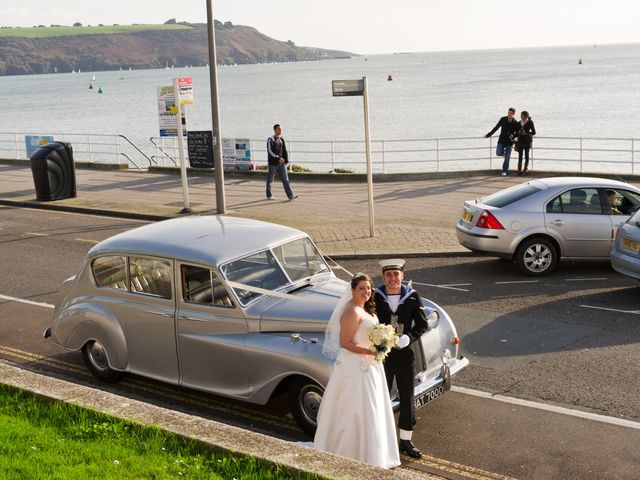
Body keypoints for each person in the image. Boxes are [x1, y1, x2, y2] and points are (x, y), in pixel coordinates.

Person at [314, 273, 401, 469]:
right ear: (352, 290)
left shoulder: (365, 308)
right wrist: (371, 350)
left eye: (368, 288)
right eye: (361, 288)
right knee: (356, 410)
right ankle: (350, 453)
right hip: (356, 367)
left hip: (370, 365)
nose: (366, 292)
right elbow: (345, 343)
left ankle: (373, 453)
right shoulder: (352, 311)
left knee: (372, 409)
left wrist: (382, 345)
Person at [374, 259, 429, 459]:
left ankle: (405, 441)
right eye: (388, 275)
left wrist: (408, 338)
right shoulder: (375, 296)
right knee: (381, 396)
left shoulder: (413, 296)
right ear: (383, 277)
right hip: (383, 355)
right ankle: (380, 437)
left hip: (405, 355)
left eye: (396, 274)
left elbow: (422, 325)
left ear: (402, 276)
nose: (392, 278)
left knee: (407, 398)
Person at [485, 107, 520, 176]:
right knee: (498, 153)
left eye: (511, 113)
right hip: (501, 140)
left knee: (507, 158)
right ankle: (503, 154)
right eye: (508, 113)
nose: (509, 114)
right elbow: (496, 127)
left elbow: (518, 133)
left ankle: (504, 171)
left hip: (510, 142)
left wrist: (513, 135)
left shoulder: (515, 123)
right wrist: (489, 134)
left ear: (513, 114)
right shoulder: (503, 119)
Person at [266, 124, 297, 200]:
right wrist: (278, 158)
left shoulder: (281, 139)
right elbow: (270, 151)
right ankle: (269, 195)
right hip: (273, 163)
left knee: (285, 179)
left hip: (281, 163)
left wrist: (285, 160)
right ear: (275, 130)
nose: (280, 130)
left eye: (281, 129)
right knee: (270, 179)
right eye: (279, 129)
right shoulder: (270, 139)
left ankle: (290, 195)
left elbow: (284, 150)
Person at [514, 111, 536, 175]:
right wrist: (517, 134)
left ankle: (525, 169)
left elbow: (534, 132)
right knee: (520, 155)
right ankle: (519, 170)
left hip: (527, 141)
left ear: (526, 116)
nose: (521, 117)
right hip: (520, 141)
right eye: (521, 116)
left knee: (526, 155)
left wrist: (526, 133)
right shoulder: (518, 123)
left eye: (523, 116)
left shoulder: (530, 122)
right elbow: (516, 133)